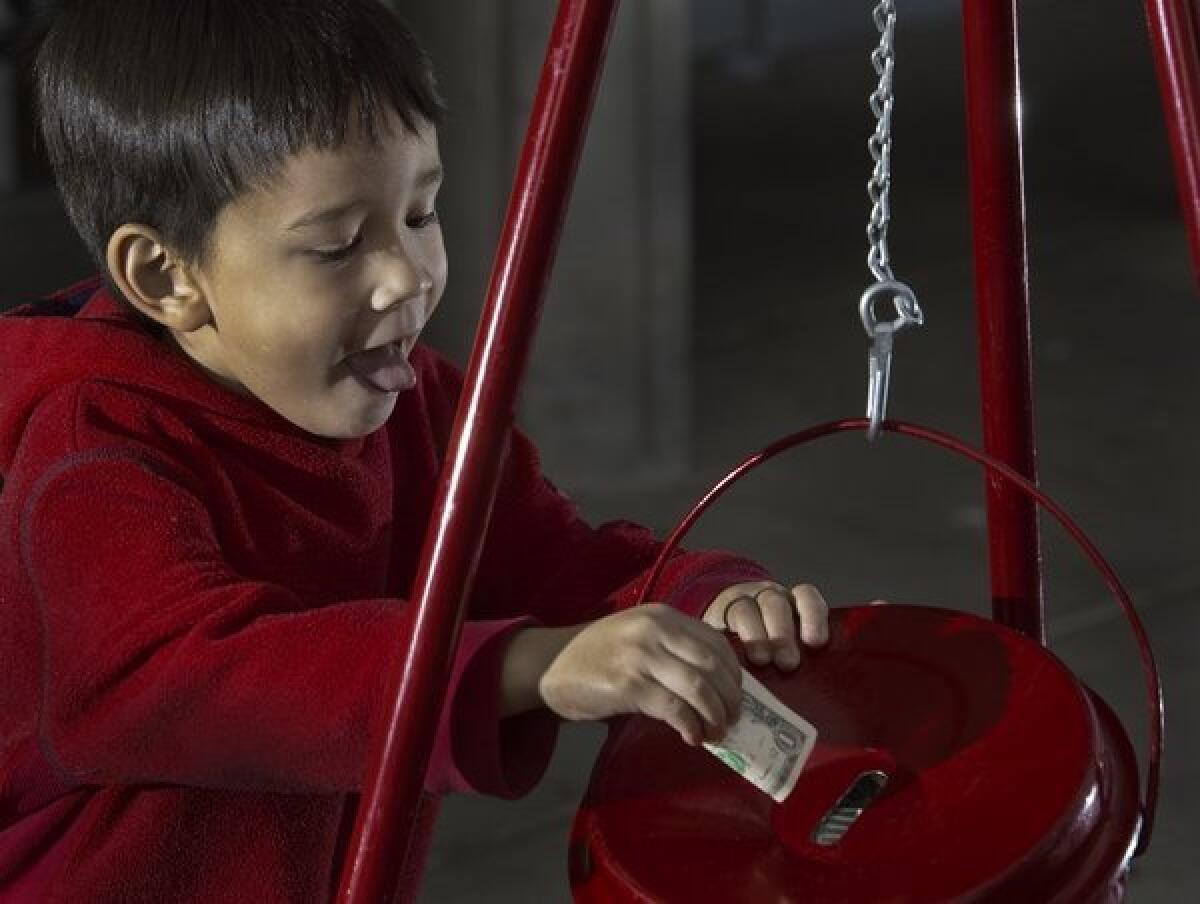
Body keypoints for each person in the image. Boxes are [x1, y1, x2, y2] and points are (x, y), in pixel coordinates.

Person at [0, 2, 830, 901]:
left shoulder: (417, 401)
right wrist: (530, 666)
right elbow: (189, 677)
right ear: (167, 277)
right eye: (337, 245)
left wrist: (693, 597)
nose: (408, 274)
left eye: (421, 210)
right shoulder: (93, 452)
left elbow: (548, 560)